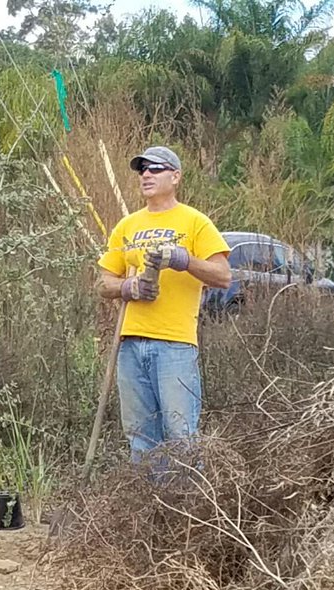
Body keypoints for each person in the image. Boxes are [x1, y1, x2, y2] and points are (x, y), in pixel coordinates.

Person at [96, 146, 231, 466]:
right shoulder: (127, 226)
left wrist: (183, 260)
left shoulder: (195, 222)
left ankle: (186, 511)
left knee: (180, 436)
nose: (146, 174)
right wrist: (127, 287)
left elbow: (223, 276)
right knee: (141, 438)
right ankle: (146, 511)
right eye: (142, 169)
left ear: (176, 176)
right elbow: (103, 282)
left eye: (156, 169)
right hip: (130, 344)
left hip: (175, 345)